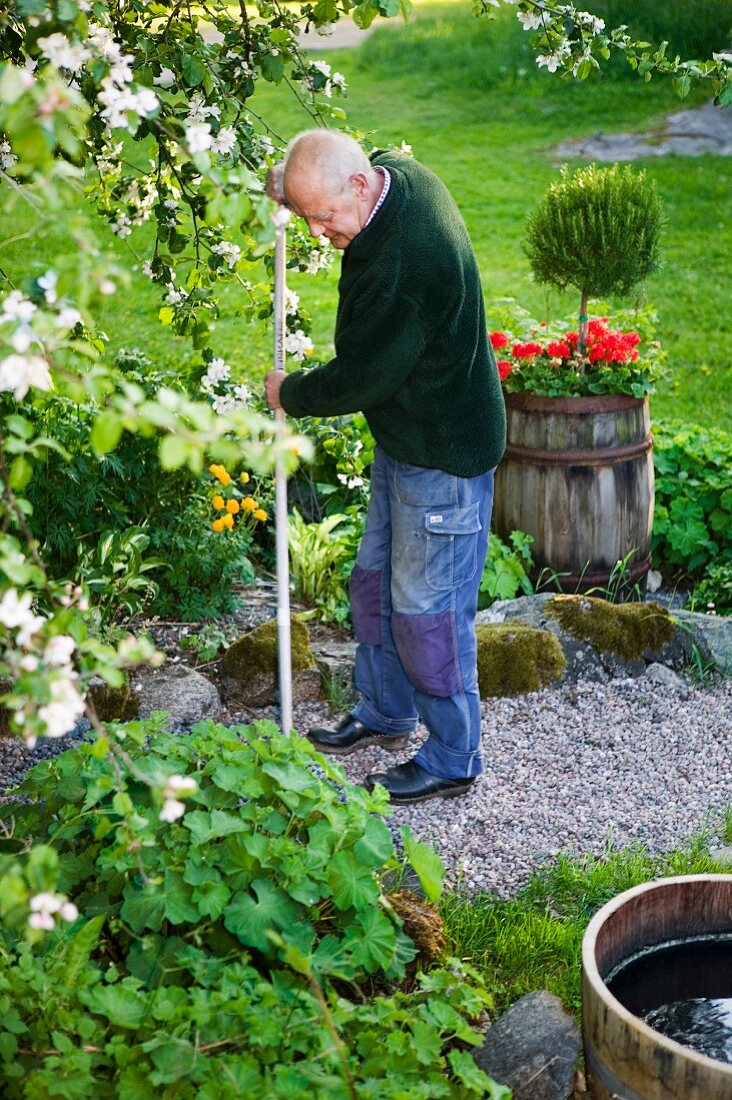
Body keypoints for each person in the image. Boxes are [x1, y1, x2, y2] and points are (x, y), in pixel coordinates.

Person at [265, 129, 506, 804]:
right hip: (408, 437)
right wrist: (290, 187)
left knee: (428, 615)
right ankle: (384, 711)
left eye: (323, 217)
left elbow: (360, 378)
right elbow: (325, 180)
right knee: (373, 586)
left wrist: (291, 393)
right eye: (304, 216)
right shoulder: (395, 176)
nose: (316, 232)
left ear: (359, 186)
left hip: (444, 455)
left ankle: (455, 758)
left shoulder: (410, 265)